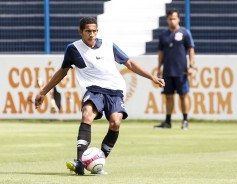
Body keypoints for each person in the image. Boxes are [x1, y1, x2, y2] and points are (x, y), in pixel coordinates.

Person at [34, 16, 165, 175]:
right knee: (87, 115)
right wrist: (43, 92)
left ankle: (98, 161)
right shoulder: (73, 49)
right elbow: (62, 72)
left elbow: (129, 64)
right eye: (88, 31)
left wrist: (152, 77)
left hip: (115, 90)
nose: (92, 34)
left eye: (94, 31)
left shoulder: (109, 45)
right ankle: (80, 163)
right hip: (94, 90)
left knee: (115, 123)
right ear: (80, 32)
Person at [154, 9, 195, 130]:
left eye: (174, 18)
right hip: (167, 71)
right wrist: (159, 67)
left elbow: (191, 50)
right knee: (168, 96)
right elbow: (160, 52)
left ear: (178, 19)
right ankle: (168, 122)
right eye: (170, 18)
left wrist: (191, 66)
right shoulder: (163, 35)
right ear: (167, 19)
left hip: (181, 71)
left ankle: (185, 120)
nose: (172, 21)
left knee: (183, 95)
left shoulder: (185, 33)